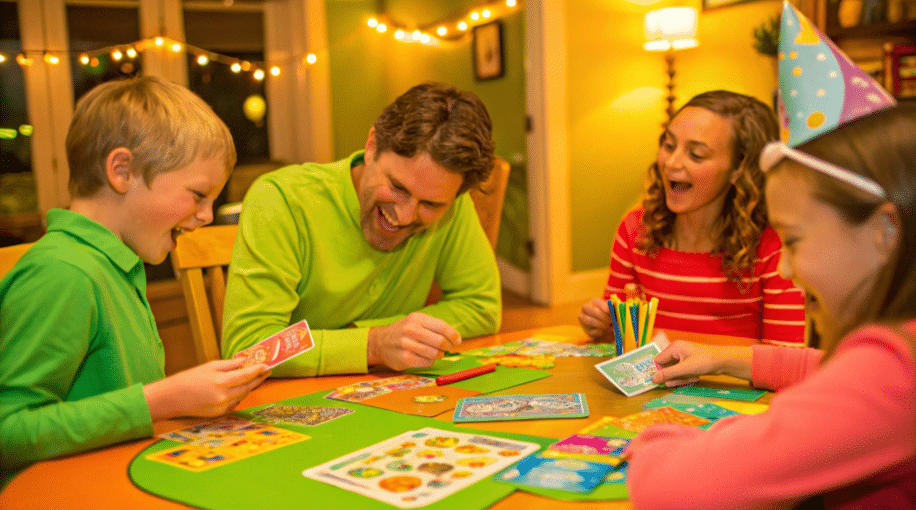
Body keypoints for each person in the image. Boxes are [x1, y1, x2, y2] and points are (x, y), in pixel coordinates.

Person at [626, 4, 916, 507]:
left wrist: (657, 440)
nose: (784, 266)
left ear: (884, 230)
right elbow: (824, 367)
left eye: (795, 240)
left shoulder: (892, 373)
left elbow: (672, 486)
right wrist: (727, 357)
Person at [0, 76, 271, 487]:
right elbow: (7, 430)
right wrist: (162, 400)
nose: (206, 216)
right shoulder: (63, 272)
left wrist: (185, 397)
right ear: (122, 171)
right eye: (198, 195)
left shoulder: (117, 263)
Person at [221, 82, 500, 377]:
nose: (405, 216)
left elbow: (481, 306)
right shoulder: (281, 199)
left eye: (430, 204)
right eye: (397, 187)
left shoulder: (452, 202)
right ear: (372, 146)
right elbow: (250, 347)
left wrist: (377, 335)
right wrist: (373, 344)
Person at [579, 90, 805, 345]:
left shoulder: (774, 247)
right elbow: (621, 334)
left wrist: (701, 356)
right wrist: (603, 326)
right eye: (669, 145)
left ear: (739, 168)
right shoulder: (635, 230)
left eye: (696, 154)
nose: (672, 163)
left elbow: (787, 357)